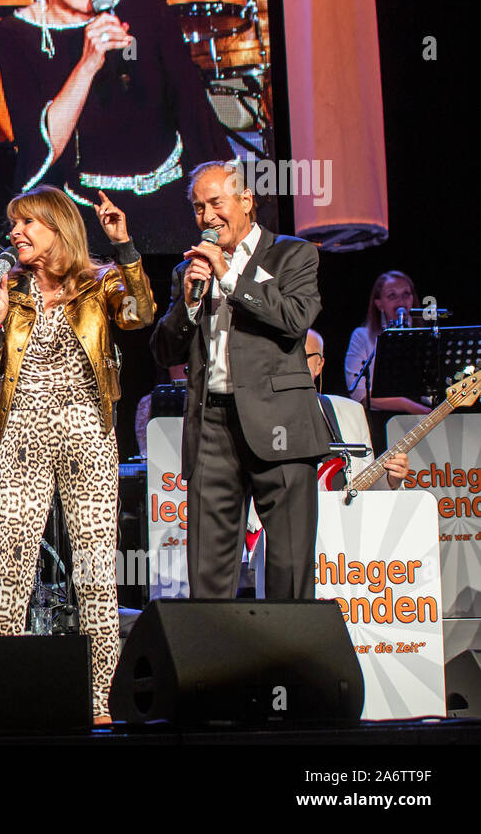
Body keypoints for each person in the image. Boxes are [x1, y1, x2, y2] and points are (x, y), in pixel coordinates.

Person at [0, 187, 154, 724]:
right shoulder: (11, 292)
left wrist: (124, 247)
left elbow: (140, 315)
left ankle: (101, 699)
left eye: (27, 223)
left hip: (87, 432)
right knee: (11, 564)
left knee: (95, 570)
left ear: (57, 228)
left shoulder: (100, 283)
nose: (15, 233)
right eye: (13, 225)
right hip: (22, 433)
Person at [0, 0, 233, 253]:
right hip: (92, 215)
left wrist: (225, 198)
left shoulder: (144, 5)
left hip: (176, 201)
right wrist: (88, 64)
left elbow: (194, 110)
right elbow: (39, 148)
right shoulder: (14, 35)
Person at [150, 161, 330, 601]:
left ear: (246, 201)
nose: (207, 216)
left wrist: (229, 276)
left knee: (289, 569)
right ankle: (215, 648)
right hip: (212, 426)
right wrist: (189, 304)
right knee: (208, 575)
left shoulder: (292, 254)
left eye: (216, 203)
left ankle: (288, 649)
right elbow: (164, 352)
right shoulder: (188, 270)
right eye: (198, 207)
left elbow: (294, 319)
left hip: (280, 423)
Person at [307, 329, 408, 490]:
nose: (293, 364)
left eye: (303, 357)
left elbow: (367, 488)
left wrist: (391, 481)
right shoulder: (266, 414)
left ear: (319, 364)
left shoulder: (352, 411)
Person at [343, 270, 430, 414]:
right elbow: (359, 393)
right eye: (392, 295)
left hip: (424, 413)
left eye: (406, 294)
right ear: (379, 304)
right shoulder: (362, 336)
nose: (401, 301)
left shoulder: (425, 335)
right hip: (381, 418)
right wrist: (406, 405)